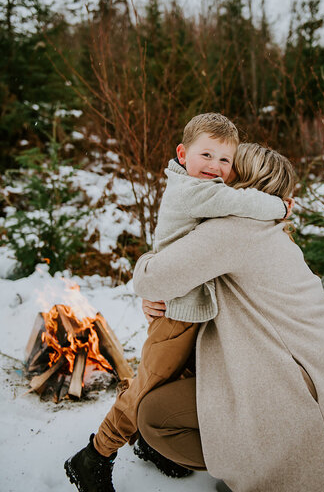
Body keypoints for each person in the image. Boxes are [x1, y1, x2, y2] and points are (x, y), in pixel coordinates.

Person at [64, 115, 291, 492]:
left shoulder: (201, 189)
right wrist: (280, 208)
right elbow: (236, 202)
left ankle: (155, 447)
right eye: (206, 154)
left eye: (225, 160)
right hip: (174, 317)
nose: (215, 167)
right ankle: (94, 456)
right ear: (182, 154)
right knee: (145, 390)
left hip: (189, 313)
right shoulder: (193, 190)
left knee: (169, 386)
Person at [134, 143, 324, 492]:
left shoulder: (236, 228)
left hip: (297, 384)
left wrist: (150, 276)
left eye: (229, 165)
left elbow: (151, 278)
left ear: (241, 180)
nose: (218, 171)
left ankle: (259, 470)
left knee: (154, 418)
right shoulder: (269, 224)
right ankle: (261, 457)